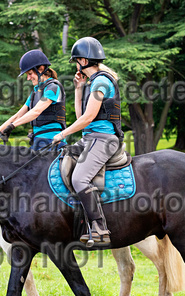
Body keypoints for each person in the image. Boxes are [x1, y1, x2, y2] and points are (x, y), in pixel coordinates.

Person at [52, 37, 123, 246]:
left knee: (80, 179)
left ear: (83, 61)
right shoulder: (91, 83)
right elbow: (80, 114)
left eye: (76, 61)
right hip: (89, 138)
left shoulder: (102, 82)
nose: (76, 65)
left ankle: (100, 227)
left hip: (104, 140)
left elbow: (88, 118)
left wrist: (62, 134)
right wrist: (78, 88)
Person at [0, 50, 67, 150]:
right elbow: (18, 115)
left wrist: (12, 126)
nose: (28, 78)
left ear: (41, 69)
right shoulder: (34, 93)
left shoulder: (53, 88)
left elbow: (36, 111)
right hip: (37, 141)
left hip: (52, 142)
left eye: (30, 73)